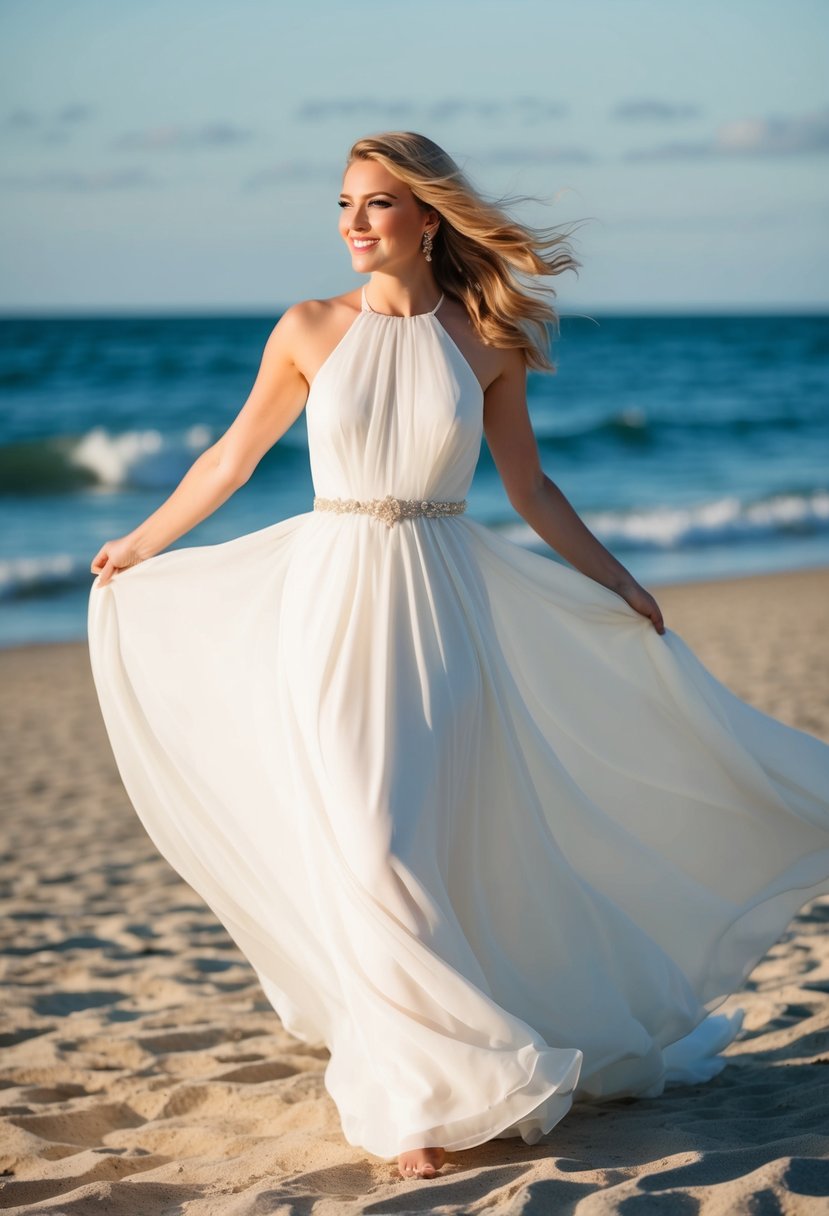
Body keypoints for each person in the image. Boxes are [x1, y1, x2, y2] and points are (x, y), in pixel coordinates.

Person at [87, 131, 829, 1183]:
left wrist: (616, 579)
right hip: (329, 600)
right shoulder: (306, 327)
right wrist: (144, 542)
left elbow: (529, 490)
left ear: (427, 217)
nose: (352, 223)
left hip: (440, 605)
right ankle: (412, 1097)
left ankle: (446, 1060)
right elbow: (232, 454)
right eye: (342, 204)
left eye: (375, 204)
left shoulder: (485, 337)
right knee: (368, 840)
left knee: (422, 838)